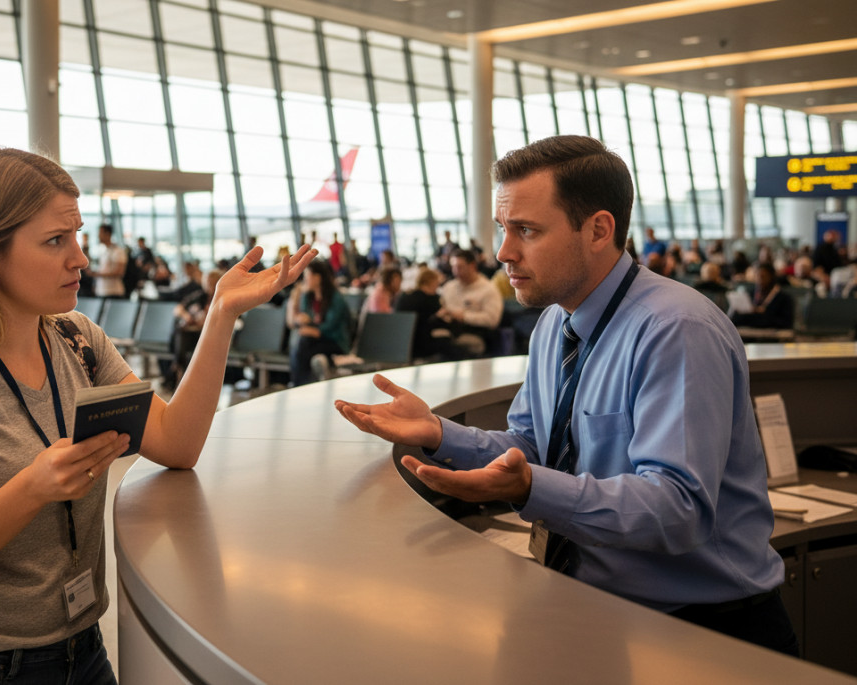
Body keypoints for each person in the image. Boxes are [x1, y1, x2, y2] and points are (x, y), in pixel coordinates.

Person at [335, 135, 798, 657]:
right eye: (503, 229)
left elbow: (677, 508)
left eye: (526, 230)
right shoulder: (556, 322)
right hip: (595, 609)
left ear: (599, 229)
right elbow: (534, 444)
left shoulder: (677, 329)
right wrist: (441, 434)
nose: (503, 251)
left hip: (701, 635)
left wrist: (533, 487)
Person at [0, 146, 314, 684]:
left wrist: (220, 315)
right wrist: (33, 486)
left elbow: (177, 443)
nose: (79, 258)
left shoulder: (77, 339)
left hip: (82, 648)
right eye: (55, 241)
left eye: (77, 235)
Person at [287, 260, 352, 386]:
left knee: (303, 347)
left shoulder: (336, 298)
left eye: (308, 276)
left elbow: (331, 325)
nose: (305, 280)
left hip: (334, 341)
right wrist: (303, 320)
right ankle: (302, 383)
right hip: (315, 339)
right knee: (301, 342)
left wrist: (316, 331)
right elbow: (303, 319)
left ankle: (299, 384)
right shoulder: (308, 297)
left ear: (318, 277)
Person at [438, 249, 504, 357]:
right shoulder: (449, 287)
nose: (455, 271)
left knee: (450, 345)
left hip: (476, 333)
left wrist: (463, 316)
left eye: (459, 267)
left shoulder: (488, 289)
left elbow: (492, 320)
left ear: (472, 266)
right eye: (453, 267)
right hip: (450, 329)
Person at [731, 262, 794, 330]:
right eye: (757, 276)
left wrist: (765, 313)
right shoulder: (750, 294)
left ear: (771, 277)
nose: (760, 280)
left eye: (763, 276)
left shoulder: (783, 298)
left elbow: (786, 323)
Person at [89, 223, 127, 298]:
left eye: (100, 233)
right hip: (101, 291)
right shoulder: (102, 250)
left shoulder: (118, 251)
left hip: (113, 292)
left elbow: (119, 272)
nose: (98, 236)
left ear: (108, 234)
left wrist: (97, 274)